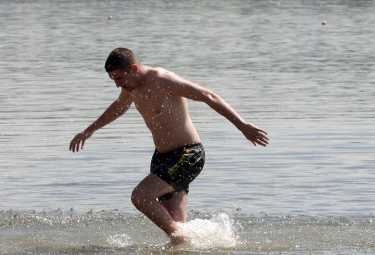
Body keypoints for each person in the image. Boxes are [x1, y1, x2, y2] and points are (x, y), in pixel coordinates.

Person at [70, 47, 269, 244]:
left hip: (187, 155)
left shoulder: (162, 80)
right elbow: (119, 107)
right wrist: (89, 130)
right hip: (162, 158)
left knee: (140, 197)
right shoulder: (130, 88)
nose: (117, 85)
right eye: (113, 80)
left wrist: (242, 125)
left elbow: (208, 96)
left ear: (134, 68)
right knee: (175, 226)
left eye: (120, 78)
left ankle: (184, 240)